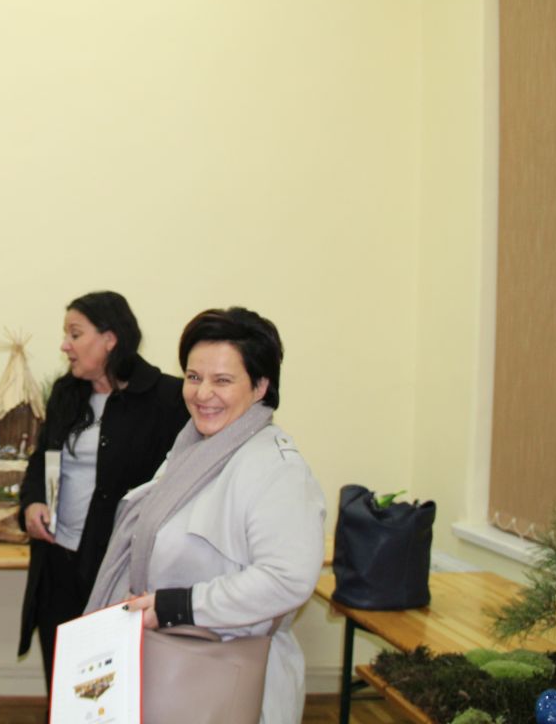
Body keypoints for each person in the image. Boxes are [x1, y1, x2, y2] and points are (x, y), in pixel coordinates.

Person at [85, 307, 326, 723]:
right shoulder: (193, 452)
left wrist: (179, 606)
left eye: (222, 380)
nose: (202, 393)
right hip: (174, 669)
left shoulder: (277, 469)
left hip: (230, 678)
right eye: (194, 377)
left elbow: (287, 578)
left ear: (260, 386)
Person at [17, 291, 188, 689]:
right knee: (62, 679)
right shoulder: (66, 393)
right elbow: (41, 460)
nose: (65, 345)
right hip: (58, 559)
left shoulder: (165, 399)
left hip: (118, 569)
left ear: (110, 338)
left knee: (107, 687)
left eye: (75, 334)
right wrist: (32, 501)